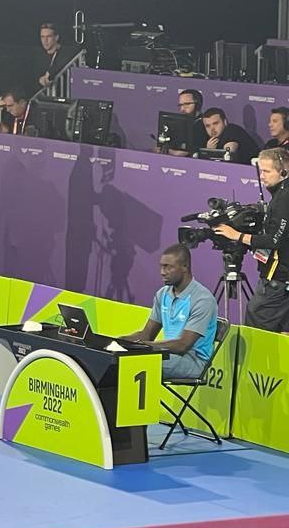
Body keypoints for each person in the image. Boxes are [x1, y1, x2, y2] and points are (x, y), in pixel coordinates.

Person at [216, 148, 289, 334]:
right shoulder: (280, 194)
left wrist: (237, 236)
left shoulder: (284, 198)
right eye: (261, 171)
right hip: (281, 280)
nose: (262, 176)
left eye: (266, 171)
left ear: (283, 172)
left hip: (278, 280)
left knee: (256, 326)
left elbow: (274, 240)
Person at [121, 244, 218, 380]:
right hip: (169, 355)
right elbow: (147, 334)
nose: (162, 272)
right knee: (117, 358)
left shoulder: (203, 299)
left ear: (184, 267)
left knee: (135, 363)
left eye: (168, 267)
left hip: (194, 362)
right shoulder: (162, 294)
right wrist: (119, 342)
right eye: (161, 266)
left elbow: (183, 345)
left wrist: (144, 346)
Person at [164, 88, 207, 157]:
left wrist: (167, 151)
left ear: (198, 105)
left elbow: (184, 153)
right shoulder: (178, 124)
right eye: (180, 105)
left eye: (186, 104)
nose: (182, 109)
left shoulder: (206, 124)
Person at [37, 23, 68, 90]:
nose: (45, 40)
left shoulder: (66, 52)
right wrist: (40, 80)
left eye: (48, 36)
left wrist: (50, 74)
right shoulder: (38, 55)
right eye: (42, 37)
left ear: (56, 37)